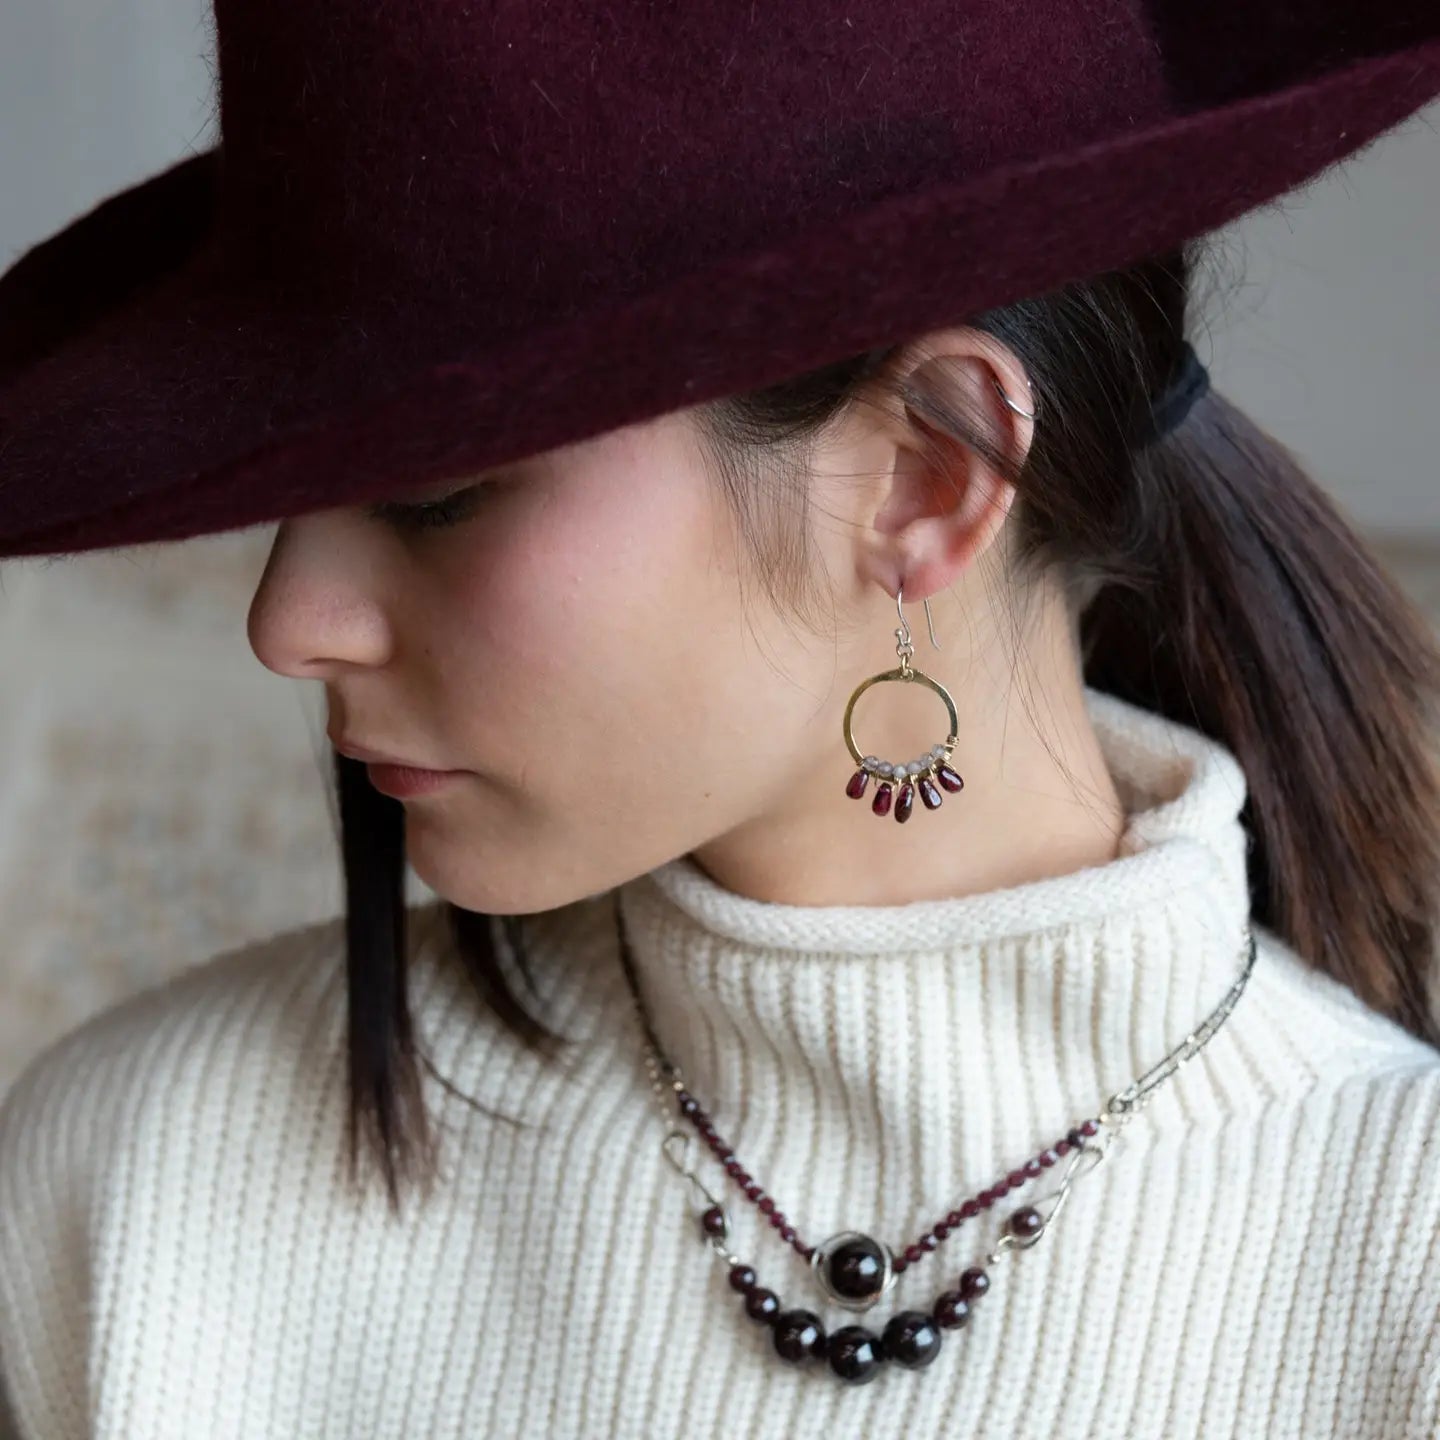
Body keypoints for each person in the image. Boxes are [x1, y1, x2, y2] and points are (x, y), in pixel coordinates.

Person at [1, 1, 1439, 1435]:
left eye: (431, 493)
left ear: (925, 478)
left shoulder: (1399, 1275)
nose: (287, 621)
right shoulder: (132, 1190)